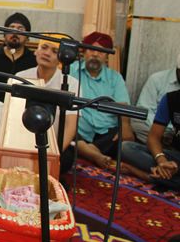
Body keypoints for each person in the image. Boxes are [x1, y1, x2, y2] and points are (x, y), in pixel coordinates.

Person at [16, 34, 79, 175]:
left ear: (61, 59)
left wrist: (53, 154)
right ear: (36, 51)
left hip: (56, 144)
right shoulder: (20, 76)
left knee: (66, 160)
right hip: (23, 141)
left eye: (54, 51)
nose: (47, 53)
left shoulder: (71, 83)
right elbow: (13, 117)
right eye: (44, 47)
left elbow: (71, 124)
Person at [69, 32, 133, 169]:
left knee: (121, 135)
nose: (95, 54)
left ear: (107, 57)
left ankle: (87, 150)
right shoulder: (71, 71)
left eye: (101, 52)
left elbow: (123, 105)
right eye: (92, 49)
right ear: (84, 51)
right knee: (65, 129)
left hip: (105, 131)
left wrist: (126, 127)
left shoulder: (115, 78)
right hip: (79, 128)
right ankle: (95, 154)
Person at [121, 89, 180, 191]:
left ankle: (144, 174)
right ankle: (164, 173)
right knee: (126, 147)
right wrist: (161, 161)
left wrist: (178, 168)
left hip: (176, 164)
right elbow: (153, 137)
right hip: (175, 156)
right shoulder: (171, 98)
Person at [0, 12, 37, 102]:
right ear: (4, 34)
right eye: (11, 28)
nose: (15, 32)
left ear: (27, 37)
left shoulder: (34, 59)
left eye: (20, 29)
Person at [132, 54, 180, 143]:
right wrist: (163, 129)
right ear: (178, 69)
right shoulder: (157, 79)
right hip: (155, 127)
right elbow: (145, 111)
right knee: (135, 124)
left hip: (175, 132)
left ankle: (159, 147)